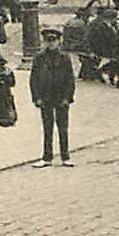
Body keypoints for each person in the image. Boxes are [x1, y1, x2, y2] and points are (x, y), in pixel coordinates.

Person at [30, 27, 76, 167]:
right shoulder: (39, 58)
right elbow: (34, 79)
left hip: (61, 95)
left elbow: (70, 79)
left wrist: (68, 98)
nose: (51, 43)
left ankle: (65, 156)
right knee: (47, 127)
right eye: (48, 41)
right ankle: (47, 157)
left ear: (59, 41)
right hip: (45, 96)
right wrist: (36, 97)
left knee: (63, 127)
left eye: (53, 40)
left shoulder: (64, 58)